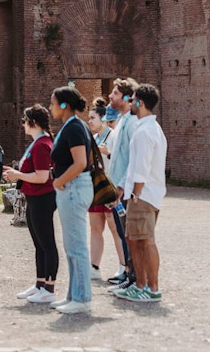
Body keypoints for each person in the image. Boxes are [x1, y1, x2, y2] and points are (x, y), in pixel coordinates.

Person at [114, 84, 167, 302]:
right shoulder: (146, 128)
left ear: (141, 103)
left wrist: (134, 195)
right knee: (134, 239)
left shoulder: (146, 131)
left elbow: (142, 169)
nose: (131, 102)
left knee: (145, 240)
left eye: (134, 99)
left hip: (143, 196)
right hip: (141, 194)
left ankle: (152, 288)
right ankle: (140, 284)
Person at [3, 104, 58, 304]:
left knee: (46, 243)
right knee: (38, 244)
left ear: (33, 122)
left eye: (24, 121)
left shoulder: (42, 144)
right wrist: (16, 173)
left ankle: (49, 288)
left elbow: (42, 176)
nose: (23, 125)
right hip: (34, 197)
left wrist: (17, 174)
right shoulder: (37, 142)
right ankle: (39, 284)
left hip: (43, 197)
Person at [48, 87, 94, 314]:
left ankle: (83, 298)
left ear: (64, 105)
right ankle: (73, 295)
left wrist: (58, 181)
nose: (50, 107)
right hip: (73, 188)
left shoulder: (75, 127)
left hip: (73, 188)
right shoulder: (74, 126)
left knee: (77, 246)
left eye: (53, 103)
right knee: (71, 245)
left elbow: (81, 162)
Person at [104, 77, 140, 291]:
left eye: (115, 93)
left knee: (129, 234)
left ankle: (133, 278)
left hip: (124, 190)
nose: (110, 96)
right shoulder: (121, 121)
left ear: (126, 98)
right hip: (116, 188)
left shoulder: (132, 123)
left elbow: (133, 159)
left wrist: (121, 186)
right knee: (122, 232)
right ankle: (127, 274)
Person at [87, 98, 125, 282]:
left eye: (92, 118)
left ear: (103, 119)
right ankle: (94, 267)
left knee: (115, 228)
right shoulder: (93, 139)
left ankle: (123, 266)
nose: (89, 121)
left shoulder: (113, 136)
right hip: (96, 188)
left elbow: (119, 159)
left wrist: (107, 153)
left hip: (110, 187)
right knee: (95, 228)